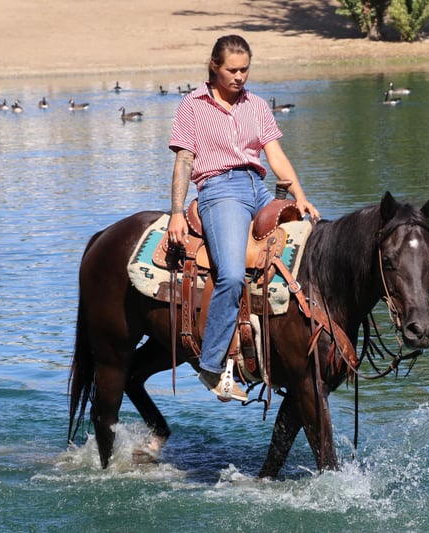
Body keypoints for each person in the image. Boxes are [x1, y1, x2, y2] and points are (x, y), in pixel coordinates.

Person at [166, 34, 320, 402]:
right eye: (232, 70)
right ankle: (211, 365)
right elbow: (184, 160)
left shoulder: (257, 105)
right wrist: (175, 212)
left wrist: (300, 196)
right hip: (220, 191)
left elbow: (275, 157)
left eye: (245, 70)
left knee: (313, 241)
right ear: (214, 67)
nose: (239, 77)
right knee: (232, 274)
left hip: (259, 188)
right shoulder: (192, 105)